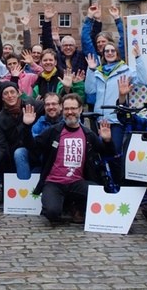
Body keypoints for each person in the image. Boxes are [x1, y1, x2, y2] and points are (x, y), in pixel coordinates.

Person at [24, 94, 115, 223]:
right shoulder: (53, 131)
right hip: (54, 183)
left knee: (100, 196)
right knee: (51, 213)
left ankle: (75, 204)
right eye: (66, 109)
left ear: (80, 109)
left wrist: (107, 140)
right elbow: (32, 146)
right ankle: (65, 203)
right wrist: (27, 127)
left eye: (73, 108)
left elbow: (108, 153)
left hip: (77, 183)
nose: (70, 112)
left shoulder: (88, 134)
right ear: (62, 109)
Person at [84, 42, 147, 151]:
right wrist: (91, 70)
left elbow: (142, 80)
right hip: (100, 119)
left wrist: (138, 58)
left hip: (116, 119)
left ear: (117, 53)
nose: (110, 53)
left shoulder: (125, 70)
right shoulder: (98, 72)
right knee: (101, 152)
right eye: (107, 51)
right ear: (103, 55)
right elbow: (89, 89)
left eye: (112, 50)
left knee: (115, 151)